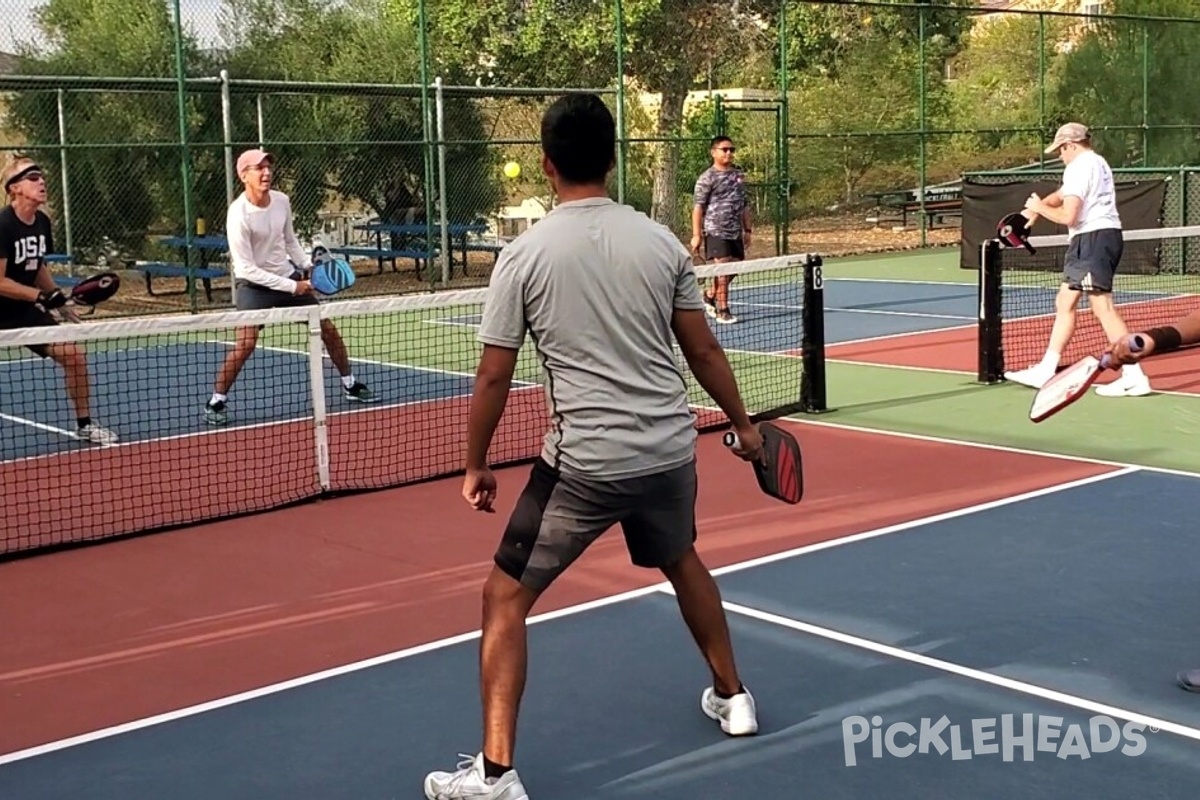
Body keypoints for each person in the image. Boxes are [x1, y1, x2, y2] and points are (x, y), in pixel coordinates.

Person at [422, 94, 766, 800]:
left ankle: (494, 774)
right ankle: (734, 697)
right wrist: (745, 423)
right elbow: (701, 348)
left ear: (547, 165)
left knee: (502, 600)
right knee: (681, 559)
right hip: (669, 451)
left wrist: (476, 463)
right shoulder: (660, 241)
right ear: (613, 159)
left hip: (584, 465)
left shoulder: (523, 256)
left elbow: (493, 373)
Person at [204, 149, 373, 425]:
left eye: (268, 166)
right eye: (259, 168)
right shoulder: (238, 214)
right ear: (244, 175)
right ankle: (216, 401)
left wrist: (305, 265)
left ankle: (350, 384)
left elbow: (290, 241)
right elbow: (246, 268)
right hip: (253, 285)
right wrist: (293, 287)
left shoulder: (281, 201)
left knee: (327, 329)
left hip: (287, 276)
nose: (266, 172)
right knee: (246, 344)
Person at [1004, 122, 1151, 397]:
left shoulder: (1079, 167)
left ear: (1070, 145)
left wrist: (1037, 208)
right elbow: (1060, 196)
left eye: (1060, 150)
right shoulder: (1096, 163)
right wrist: (1031, 214)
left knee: (1102, 307)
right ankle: (1046, 369)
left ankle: (1134, 375)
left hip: (1092, 239)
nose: (1060, 156)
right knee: (1065, 301)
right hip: (1096, 238)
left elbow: (1068, 216)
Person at [0, 156, 117, 445]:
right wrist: (40, 297)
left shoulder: (41, 222)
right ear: (14, 188)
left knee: (73, 356)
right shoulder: (2, 225)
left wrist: (60, 303)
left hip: (22, 310)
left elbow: (36, 265)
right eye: (32, 177)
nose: (41, 181)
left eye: (41, 176)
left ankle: (85, 424)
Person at [691, 135, 751, 325]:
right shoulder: (706, 178)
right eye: (724, 149)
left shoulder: (738, 176)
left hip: (735, 232)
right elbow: (698, 207)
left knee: (736, 268)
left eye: (731, 150)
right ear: (713, 152)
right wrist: (696, 235)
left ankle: (709, 295)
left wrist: (747, 230)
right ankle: (723, 310)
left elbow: (744, 205)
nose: (729, 153)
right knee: (723, 270)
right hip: (715, 230)